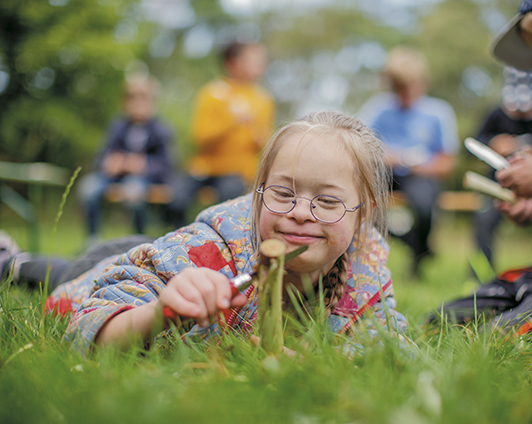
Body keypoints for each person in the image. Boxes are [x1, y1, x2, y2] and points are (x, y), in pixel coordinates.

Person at [42, 110, 408, 357]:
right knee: (64, 273)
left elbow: (394, 350)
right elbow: (84, 325)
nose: (299, 213)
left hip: (146, 251)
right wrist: (158, 313)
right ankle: (14, 260)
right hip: (107, 266)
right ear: (258, 194)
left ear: (365, 214)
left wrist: (328, 365)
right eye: (283, 193)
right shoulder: (207, 253)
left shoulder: (365, 269)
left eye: (328, 201)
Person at [358, 46, 459, 275]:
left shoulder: (438, 112)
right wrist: (384, 157)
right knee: (358, 198)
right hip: (385, 173)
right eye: (397, 88)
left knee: (424, 205)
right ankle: (412, 244)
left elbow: (447, 163)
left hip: (421, 174)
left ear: (422, 82)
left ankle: (419, 254)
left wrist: (418, 165)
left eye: (408, 86)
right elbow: (358, 145)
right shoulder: (379, 109)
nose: (403, 93)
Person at [171, 41, 275, 212]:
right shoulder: (212, 93)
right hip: (205, 167)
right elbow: (200, 138)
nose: (260, 64)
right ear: (232, 63)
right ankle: (178, 236)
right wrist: (232, 122)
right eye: (253, 59)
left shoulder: (263, 100)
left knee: (228, 197)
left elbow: (264, 143)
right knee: (177, 197)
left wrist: (254, 131)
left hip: (238, 172)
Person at [77, 74, 174, 241]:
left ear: (152, 102)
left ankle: (138, 242)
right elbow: (101, 156)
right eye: (132, 99)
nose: (137, 103)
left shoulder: (161, 129)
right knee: (87, 188)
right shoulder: (118, 126)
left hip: (143, 179)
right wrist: (108, 162)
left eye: (143, 98)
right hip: (114, 177)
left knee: (133, 192)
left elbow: (168, 165)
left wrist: (144, 165)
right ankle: (92, 241)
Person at [473, 67, 532, 266]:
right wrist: (494, 143)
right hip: (497, 184)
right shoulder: (496, 115)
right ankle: (480, 272)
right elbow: (472, 144)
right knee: (484, 219)